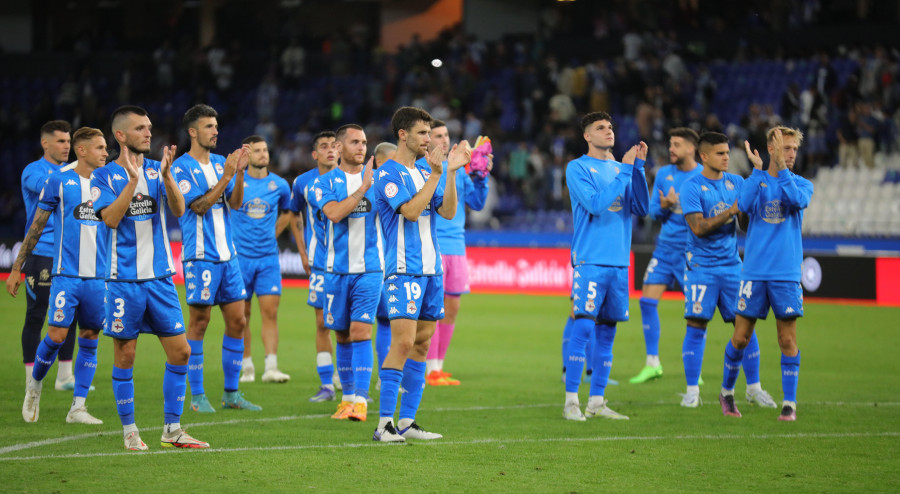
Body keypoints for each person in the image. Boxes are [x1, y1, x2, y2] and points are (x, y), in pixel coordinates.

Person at [91, 105, 208, 450]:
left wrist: (169, 177)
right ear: (121, 135)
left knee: (181, 352)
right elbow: (110, 219)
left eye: (149, 127)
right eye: (141, 128)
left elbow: (178, 209)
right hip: (123, 281)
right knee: (126, 356)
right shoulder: (104, 176)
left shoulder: (159, 171)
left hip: (160, 280)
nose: (149, 133)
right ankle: (130, 432)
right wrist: (131, 181)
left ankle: (172, 429)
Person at [373, 106, 470, 442]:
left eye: (430, 133)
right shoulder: (388, 174)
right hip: (403, 268)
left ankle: (407, 422)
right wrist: (434, 174)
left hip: (432, 269)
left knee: (422, 342)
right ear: (403, 134)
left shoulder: (425, 172)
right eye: (422, 133)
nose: (429, 140)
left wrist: (452, 174)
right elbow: (411, 212)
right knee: (402, 342)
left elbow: (447, 211)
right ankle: (384, 423)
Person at [9, 127, 109, 424]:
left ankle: (78, 407)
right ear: (83, 150)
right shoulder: (59, 181)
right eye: (100, 148)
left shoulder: (110, 183)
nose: (106, 152)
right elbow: (37, 225)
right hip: (66, 274)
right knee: (55, 335)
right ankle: (34, 386)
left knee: (90, 336)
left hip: (98, 277)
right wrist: (17, 267)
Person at [171, 104, 260, 413]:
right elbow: (197, 206)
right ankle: (196, 397)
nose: (216, 131)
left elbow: (234, 204)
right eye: (209, 126)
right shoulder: (181, 167)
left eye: (216, 126)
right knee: (200, 322)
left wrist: (240, 173)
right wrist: (225, 176)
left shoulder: (223, 162)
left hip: (228, 255)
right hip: (200, 255)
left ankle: (232, 394)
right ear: (193, 132)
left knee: (238, 320)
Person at [719, 127, 813, 421]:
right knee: (741, 338)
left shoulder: (801, 184)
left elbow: (796, 201)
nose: (791, 154)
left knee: (786, 340)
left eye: (794, 149)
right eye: (785, 148)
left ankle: (789, 404)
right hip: (755, 273)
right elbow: (744, 206)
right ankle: (727, 393)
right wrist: (758, 172)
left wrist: (781, 171)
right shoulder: (756, 182)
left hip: (786, 274)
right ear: (772, 150)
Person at [678, 132, 775, 409]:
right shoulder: (692, 187)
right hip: (701, 268)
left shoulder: (737, 182)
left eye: (727, 152)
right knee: (696, 325)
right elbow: (698, 227)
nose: (726, 157)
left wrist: (744, 208)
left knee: (745, 326)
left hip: (733, 267)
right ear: (704, 156)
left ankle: (753, 388)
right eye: (720, 153)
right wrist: (731, 211)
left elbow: (743, 224)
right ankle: (692, 391)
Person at [563, 112, 649, 421]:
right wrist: (626, 172)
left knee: (608, 332)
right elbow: (597, 205)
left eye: (611, 126)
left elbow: (642, 208)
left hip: (618, 263)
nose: (608, 131)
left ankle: (596, 401)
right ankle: (571, 400)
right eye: (600, 128)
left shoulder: (619, 168)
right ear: (587, 136)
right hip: (591, 260)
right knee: (584, 325)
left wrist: (637, 169)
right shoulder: (577, 168)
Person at [316, 124, 381, 422]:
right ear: (339, 148)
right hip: (336, 271)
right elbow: (334, 213)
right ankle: (347, 400)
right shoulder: (325, 183)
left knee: (360, 332)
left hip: (369, 270)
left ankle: (361, 402)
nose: (362, 147)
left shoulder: (379, 181)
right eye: (355, 142)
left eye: (365, 142)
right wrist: (363, 188)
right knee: (341, 335)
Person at [630, 128, 703, 384]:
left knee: (697, 311)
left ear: (691, 149)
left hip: (691, 253)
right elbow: (651, 213)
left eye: (677, 144)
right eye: (670, 144)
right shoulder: (663, 174)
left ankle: (695, 369)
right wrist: (664, 206)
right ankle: (652, 363)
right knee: (646, 302)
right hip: (665, 249)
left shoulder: (703, 177)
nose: (671, 149)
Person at [422, 120, 490, 386]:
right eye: (437, 135)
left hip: (457, 247)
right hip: (435, 245)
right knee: (434, 309)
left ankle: (438, 366)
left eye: (446, 134)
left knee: (452, 308)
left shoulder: (459, 171)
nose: (444, 139)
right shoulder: (426, 169)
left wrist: (480, 176)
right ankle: (429, 368)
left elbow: (476, 203)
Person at [18, 120, 79, 392]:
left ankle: (65, 377)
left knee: (71, 313)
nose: (67, 146)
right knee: (37, 314)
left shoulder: (73, 171)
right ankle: (32, 376)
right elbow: (52, 188)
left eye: (69, 142)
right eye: (61, 141)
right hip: (42, 251)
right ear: (45, 143)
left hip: (70, 253)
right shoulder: (34, 171)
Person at [231, 135, 292, 383]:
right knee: (241, 315)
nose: (263, 154)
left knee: (270, 313)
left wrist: (272, 234)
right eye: (257, 150)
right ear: (247, 154)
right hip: (240, 258)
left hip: (268, 258)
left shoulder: (279, 185)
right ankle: (247, 367)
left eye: (265, 150)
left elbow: (289, 213)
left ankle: (271, 367)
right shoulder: (236, 183)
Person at [289, 131, 340, 402]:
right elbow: (294, 212)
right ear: (315, 154)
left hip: (349, 264)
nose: (330, 150)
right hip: (321, 263)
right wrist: (301, 249)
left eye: (334, 146)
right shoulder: (302, 182)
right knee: (322, 323)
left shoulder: (352, 179)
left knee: (353, 325)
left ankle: (349, 380)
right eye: (324, 146)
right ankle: (327, 386)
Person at [372, 142, 397, 379]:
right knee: (353, 328)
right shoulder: (374, 183)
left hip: (385, 264)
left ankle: (383, 376)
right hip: (369, 266)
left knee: (386, 320)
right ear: (379, 161)